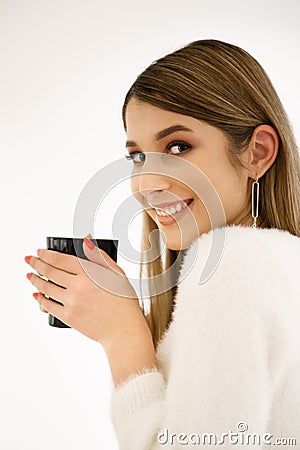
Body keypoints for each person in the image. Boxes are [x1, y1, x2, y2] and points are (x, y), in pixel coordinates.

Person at [25, 39, 300, 449]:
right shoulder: (283, 263)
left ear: (257, 153)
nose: (147, 183)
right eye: (137, 157)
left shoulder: (233, 265)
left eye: (178, 147)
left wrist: (123, 338)